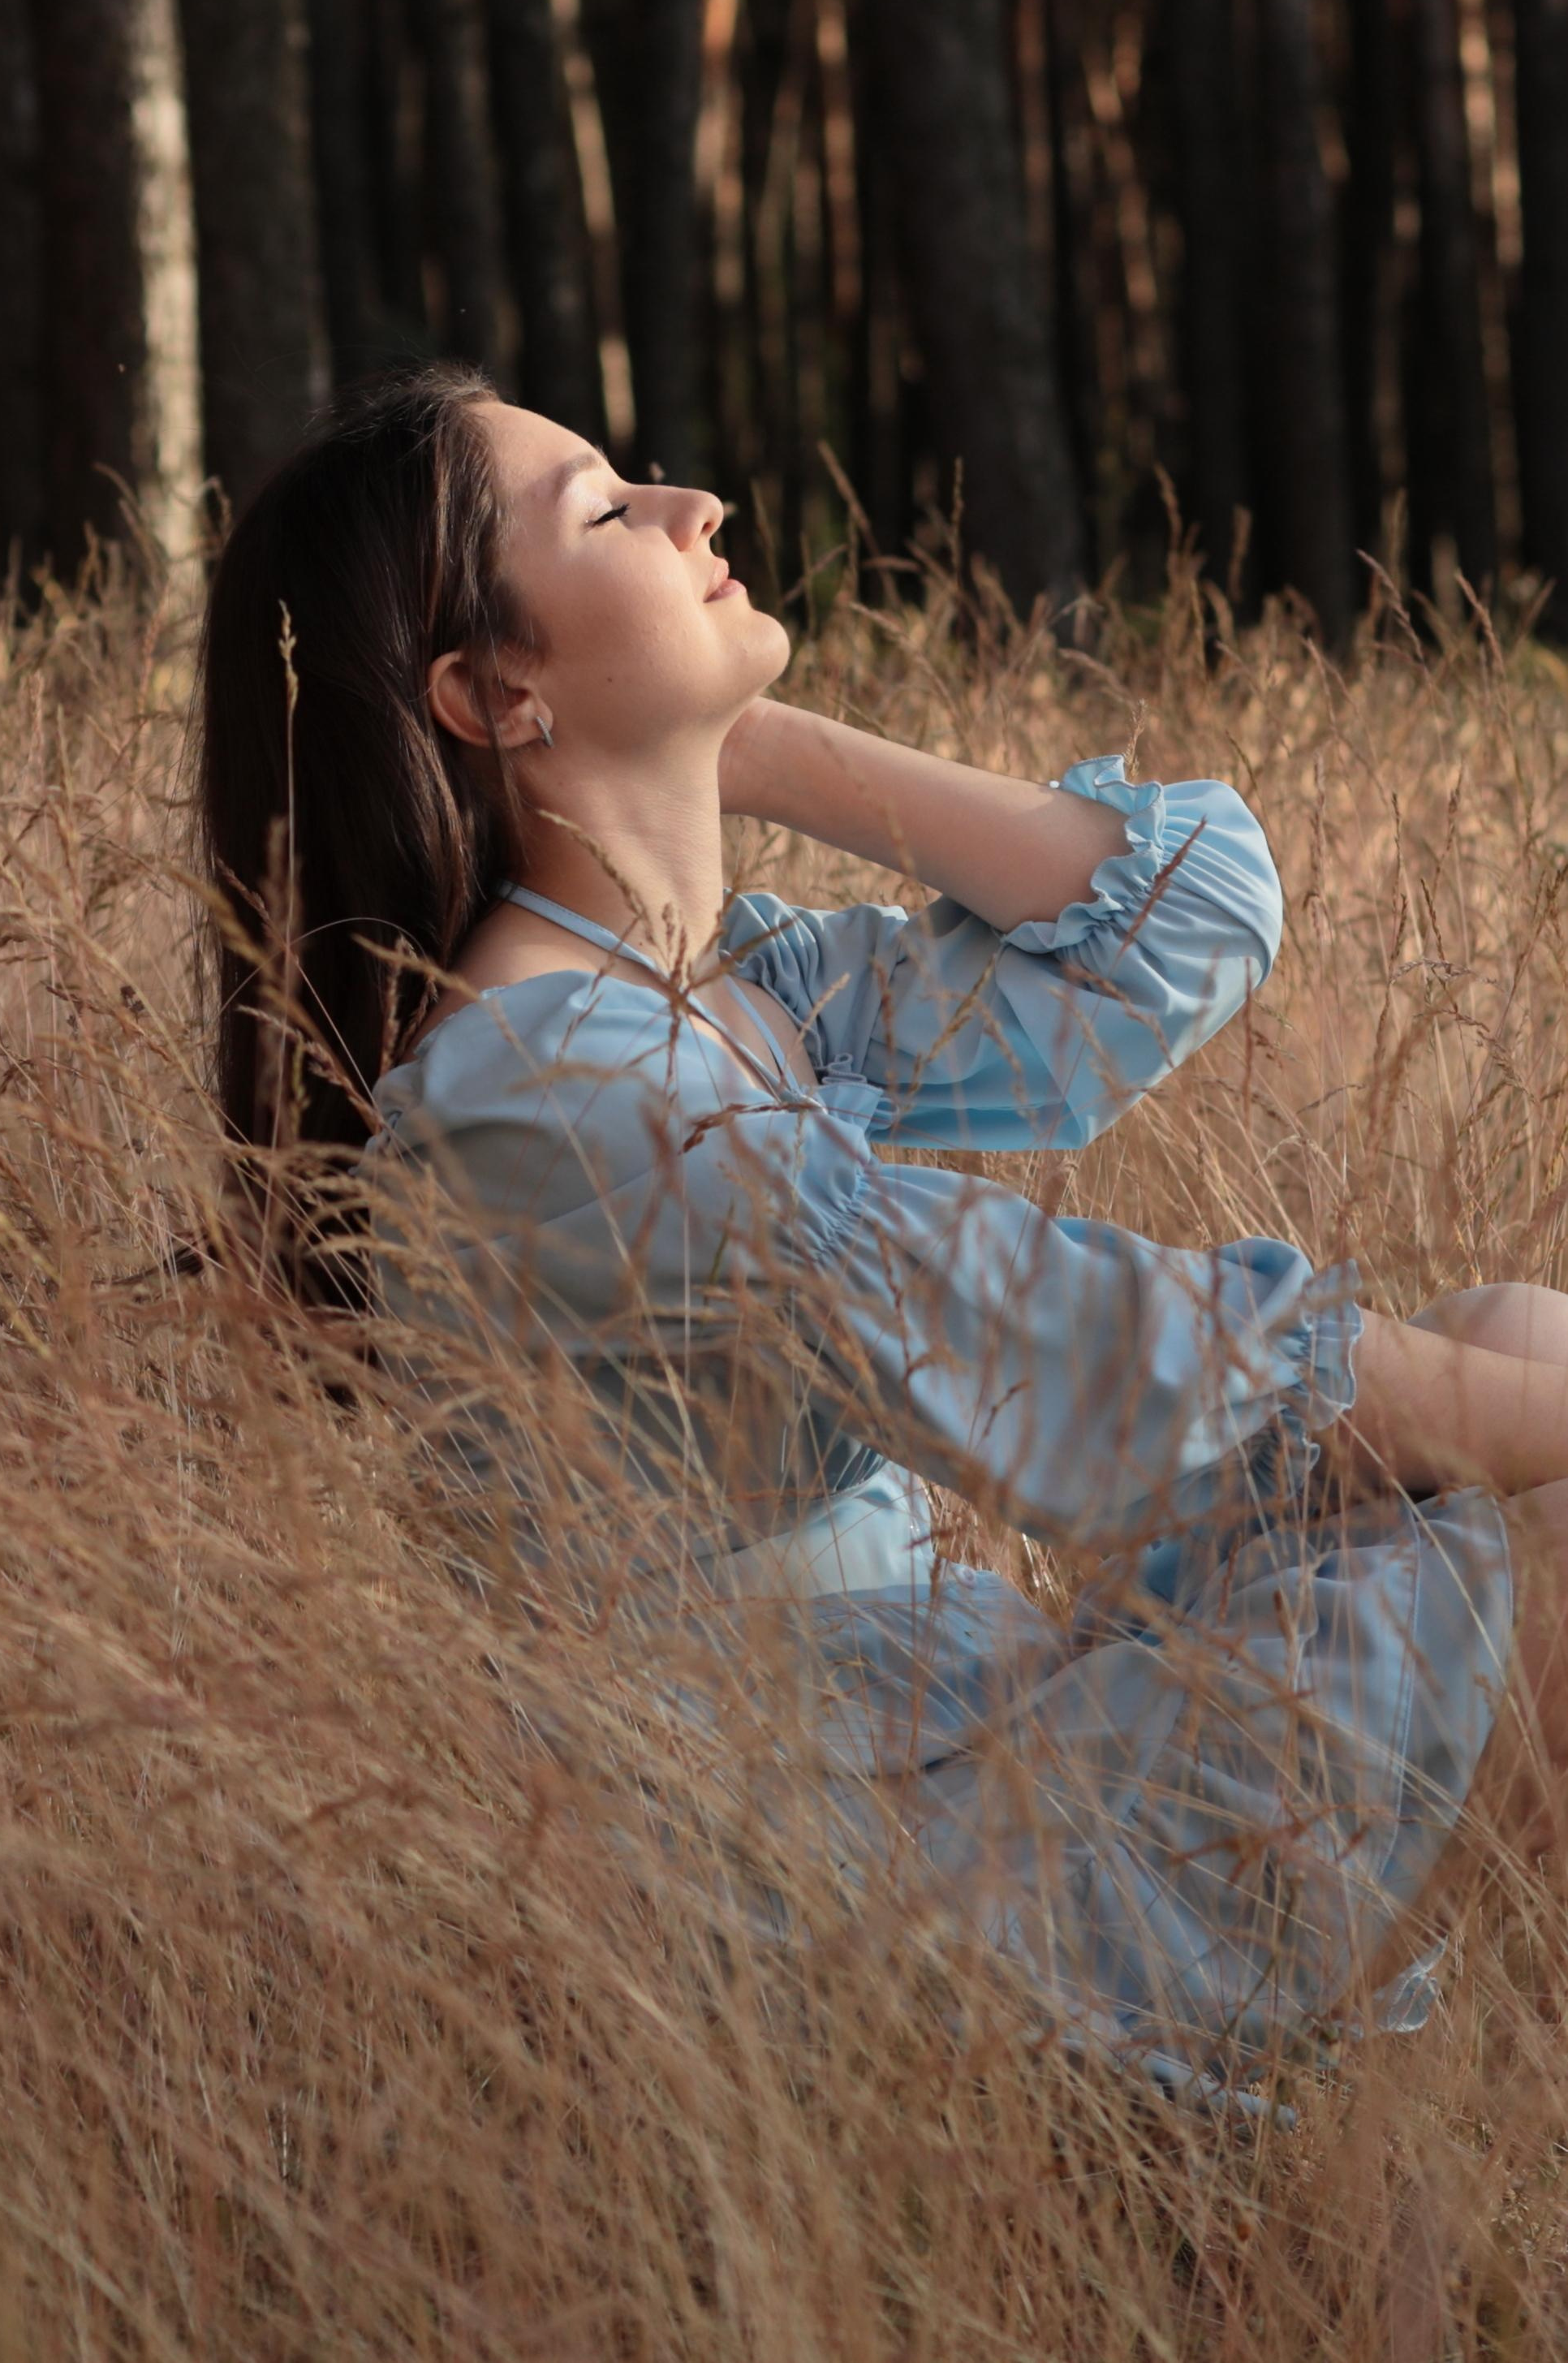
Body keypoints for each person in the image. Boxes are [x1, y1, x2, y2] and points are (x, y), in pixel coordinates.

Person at [196, 361, 1568, 2100]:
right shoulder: (541, 1087)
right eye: (609, 513)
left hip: (935, 1720)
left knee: (1519, 1335)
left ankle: (1329, 2276)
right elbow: (1070, 1343)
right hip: (817, 1858)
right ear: (488, 688)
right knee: (1543, 1508)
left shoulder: (729, 1002)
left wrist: (747, 740)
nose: (696, 509)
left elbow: (1189, 925)